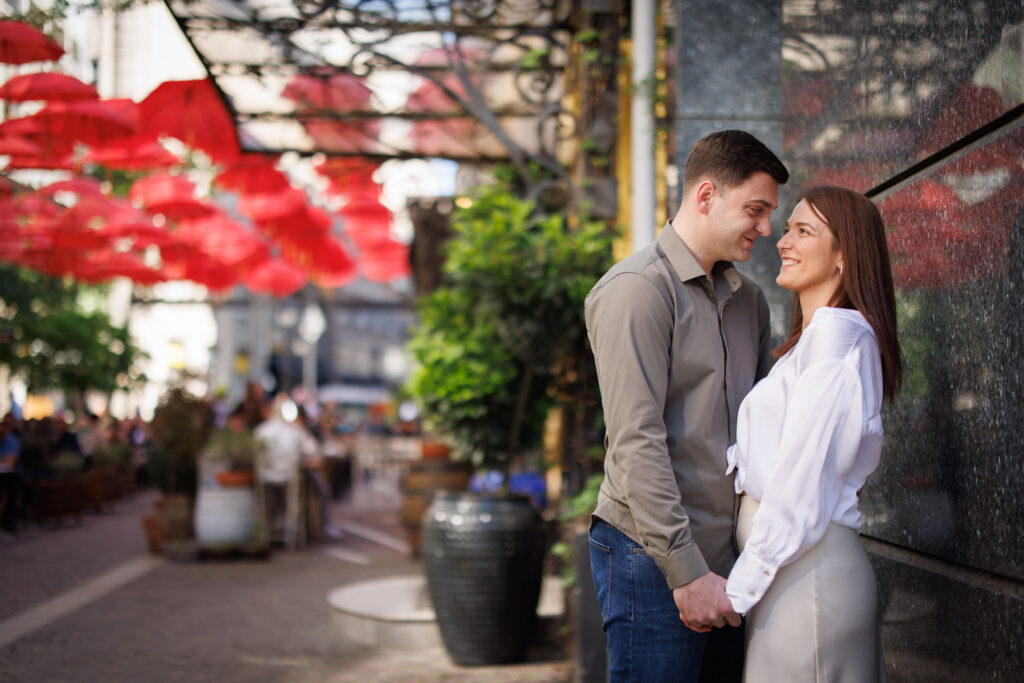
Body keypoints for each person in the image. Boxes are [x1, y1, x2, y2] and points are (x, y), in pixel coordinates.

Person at [585, 129, 789, 682]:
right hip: (650, 559)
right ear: (705, 196)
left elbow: (761, 430)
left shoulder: (750, 301)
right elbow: (637, 442)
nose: (765, 229)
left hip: (733, 562)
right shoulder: (636, 290)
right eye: (755, 210)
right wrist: (686, 572)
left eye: (770, 214)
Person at [725, 186, 902, 682]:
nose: (783, 241)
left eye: (804, 231)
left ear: (846, 254)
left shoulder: (836, 337)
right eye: (788, 229)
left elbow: (800, 485)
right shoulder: (818, 338)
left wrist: (736, 592)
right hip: (793, 573)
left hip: (807, 578)